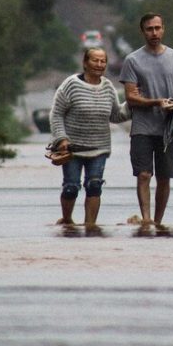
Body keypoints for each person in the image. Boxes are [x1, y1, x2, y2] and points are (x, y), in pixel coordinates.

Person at [119, 13, 173, 226]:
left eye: (157, 28)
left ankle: (159, 221)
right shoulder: (133, 60)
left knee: (164, 177)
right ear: (143, 32)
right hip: (142, 127)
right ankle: (146, 219)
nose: (154, 33)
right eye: (149, 29)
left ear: (163, 29)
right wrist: (156, 102)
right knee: (143, 174)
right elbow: (131, 96)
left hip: (169, 128)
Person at [48, 47, 131, 227]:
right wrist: (61, 139)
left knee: (94, 186)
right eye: (95, 60)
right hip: (72, 148)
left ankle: (90, 225)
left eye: (103, 61)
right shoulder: (71, 84)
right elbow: (56, 114)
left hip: (98, 148)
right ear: (85, 63)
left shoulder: (108, 87)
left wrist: (134, 103)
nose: (99, 65)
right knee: (71, 188)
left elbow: (116, 115)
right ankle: (68, 221)